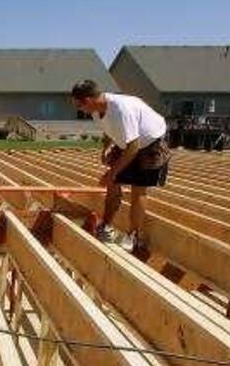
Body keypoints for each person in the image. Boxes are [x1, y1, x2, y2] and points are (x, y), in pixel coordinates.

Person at [71, 80, 171, 252]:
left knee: (138, 190)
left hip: (149, 143)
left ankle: (133, 236)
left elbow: (133, 148)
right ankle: (106, 226)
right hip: (128, 142)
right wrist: (106, 148)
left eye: (79, 105)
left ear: (88, 100)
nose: (79, 109)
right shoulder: (96, 110)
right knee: (113, 185)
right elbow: (108, 128)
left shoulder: (121, 110)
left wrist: (112, 172)